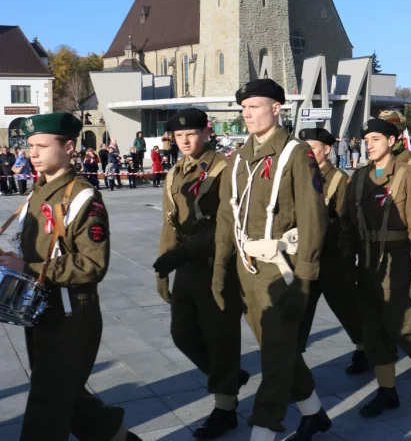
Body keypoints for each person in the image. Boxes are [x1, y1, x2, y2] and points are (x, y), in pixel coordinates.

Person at [0, 113, 141, 441]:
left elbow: (93, 265)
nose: (32, 153)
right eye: (30, 145)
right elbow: (47, 253)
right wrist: (15, 261)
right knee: (66, 396)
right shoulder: (40, 192)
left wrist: (30, 269)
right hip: (43, 312)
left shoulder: (82, 196)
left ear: (68, 147)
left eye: (42, 146)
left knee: (47, 404)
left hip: (71, 315)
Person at [212, 79, 330, 441]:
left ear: (277, 108)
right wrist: (220, 270)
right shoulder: (238, 159)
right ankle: (313, 414)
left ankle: (262, 431)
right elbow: (226, 219)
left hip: (283, 273)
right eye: (243, 108)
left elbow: (313, 218)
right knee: (278, 350)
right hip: (248, 271)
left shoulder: (296, 154)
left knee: (275, 358)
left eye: (255, 106)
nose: (247, 114)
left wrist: (305, 281)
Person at [154, 108, 246, 439]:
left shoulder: (224, 168)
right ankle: (230, 378)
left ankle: (226, 407)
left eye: (191, 134)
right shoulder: (175, 172)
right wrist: (163, 267)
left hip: (216, 264)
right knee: (183, 334)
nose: (185, 140)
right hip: (186, 267)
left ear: (206, 133)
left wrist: (186, 254)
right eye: (179, 136)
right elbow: (170, 222)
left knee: (221, 338)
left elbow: (227, 223)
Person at [339, 118, 411, 417]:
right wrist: (346, 262)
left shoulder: (409, 176)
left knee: (402, 329)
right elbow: (347, 225)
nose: (369, 144)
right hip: (367, 265)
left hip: (399, 264)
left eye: (376, 139)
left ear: (392, 142)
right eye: (367, 139)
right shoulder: (358, 178)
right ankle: (387, 392)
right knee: (373, 332)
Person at [297, 127, 368, 375]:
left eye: (312, 149)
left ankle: (363, 348)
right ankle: (293, 357)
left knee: (346, 305)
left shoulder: (338, 179)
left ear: (326, 150)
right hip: (305, 256)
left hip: (333, 256)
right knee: (299, 308)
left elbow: (348, 221)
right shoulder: (297, 177)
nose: (307, 154)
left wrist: (347, 257)